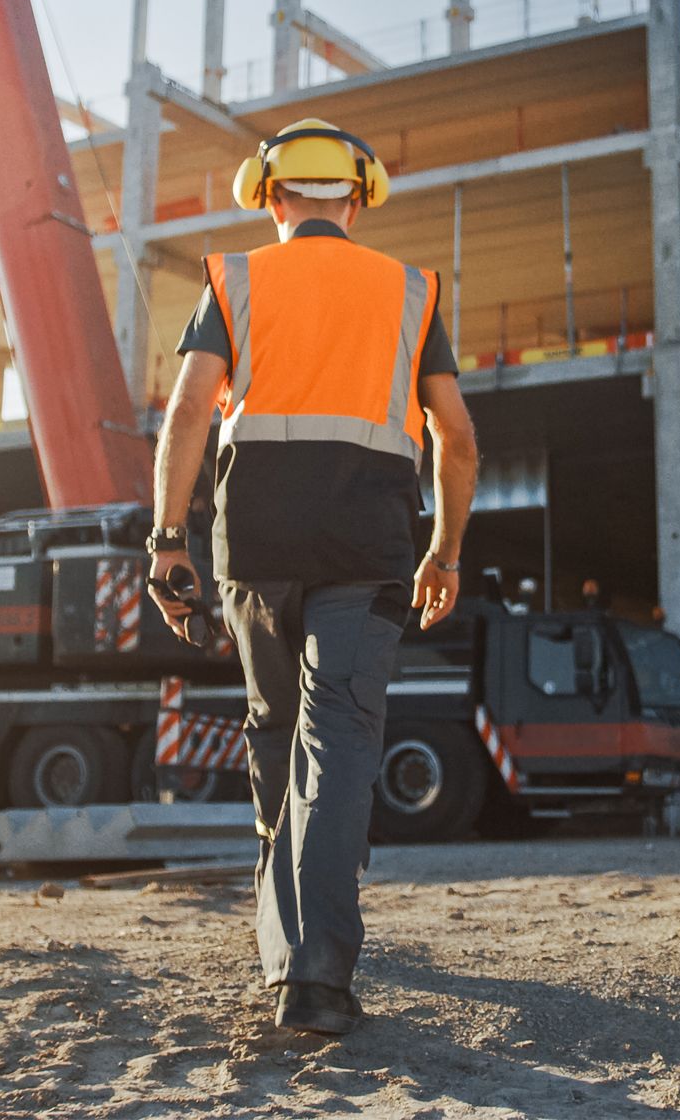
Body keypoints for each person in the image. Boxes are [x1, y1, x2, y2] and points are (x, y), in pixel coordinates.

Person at [147, 118, 479, 1035]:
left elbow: (184, 415)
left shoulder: (235, 278)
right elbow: (456, 439)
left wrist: (167, 541)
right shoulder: (410, 290)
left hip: (256, 543)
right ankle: (316, 977)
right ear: (359, 198)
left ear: (273, 195)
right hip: (370, 548)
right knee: (337, 744)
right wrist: (444, 552)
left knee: (274, 731)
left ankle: (286, 945)